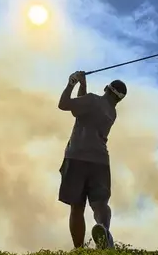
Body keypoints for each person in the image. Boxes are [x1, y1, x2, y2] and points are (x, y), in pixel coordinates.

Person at [57, 70, 127, 249]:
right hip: (101, 162)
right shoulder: (111, 112)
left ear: (106, 88)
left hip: (77, 157)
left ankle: (79, 249)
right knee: (100, 204)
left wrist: (72, 82)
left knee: (77, 207)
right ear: (119, 99)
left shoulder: (92, 100)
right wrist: (83, 86)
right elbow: (81, 110)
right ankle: (104, 230)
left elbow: (64, 105)